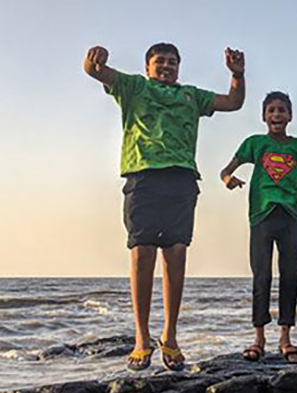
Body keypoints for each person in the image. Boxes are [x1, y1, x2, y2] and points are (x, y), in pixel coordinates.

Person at [83, 42, 245, 371]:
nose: (167, 66)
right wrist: (95, 57)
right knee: (142, 253)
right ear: (147, 67)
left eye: (172, 62)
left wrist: (237, 75)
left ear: (179, 67)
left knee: (176, 253)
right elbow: (94, 71)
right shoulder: (133, 86)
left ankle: (169, 336)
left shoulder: (191, 95)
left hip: (182, 179)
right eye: (160, 62)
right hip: (142, 178)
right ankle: (142, 338)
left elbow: (233, 102)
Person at [219, 92, 297, 364]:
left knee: (289, 276)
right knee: (261, 276)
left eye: (282, 110)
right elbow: (227, 169)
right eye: (271, 110)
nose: (276, 115)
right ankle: (258, 337)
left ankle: (285, 337)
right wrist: (227, 178)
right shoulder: (255, 143)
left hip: (289, 216)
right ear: (264, 116)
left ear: (290, 116)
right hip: (261, 215)